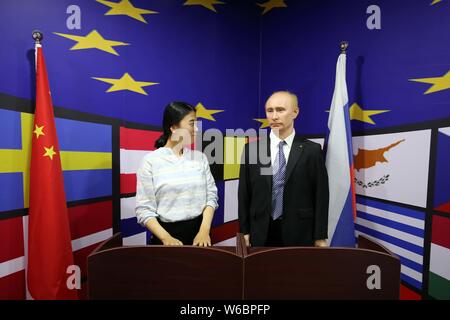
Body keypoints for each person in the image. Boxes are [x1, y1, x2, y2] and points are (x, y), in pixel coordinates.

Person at [238, 91, 329, 247]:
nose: (274, 116)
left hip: (299, 232)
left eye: (280, 110)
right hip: (260, 232)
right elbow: (244, 194)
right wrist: (244, 231)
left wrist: (320, 235)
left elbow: (321, 195)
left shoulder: (311, 150)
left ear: (295, 112)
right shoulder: (252, 149)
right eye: (269, 110)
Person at [135, 101, 218, 246]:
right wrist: (167, 238)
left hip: (201, 238)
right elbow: (144, 209)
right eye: (192, 123)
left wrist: (204, 231)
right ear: (173, 127)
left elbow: (211, 196)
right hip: (165, 239)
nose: (196, 129)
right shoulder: (150, 161)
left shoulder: (200, 158)